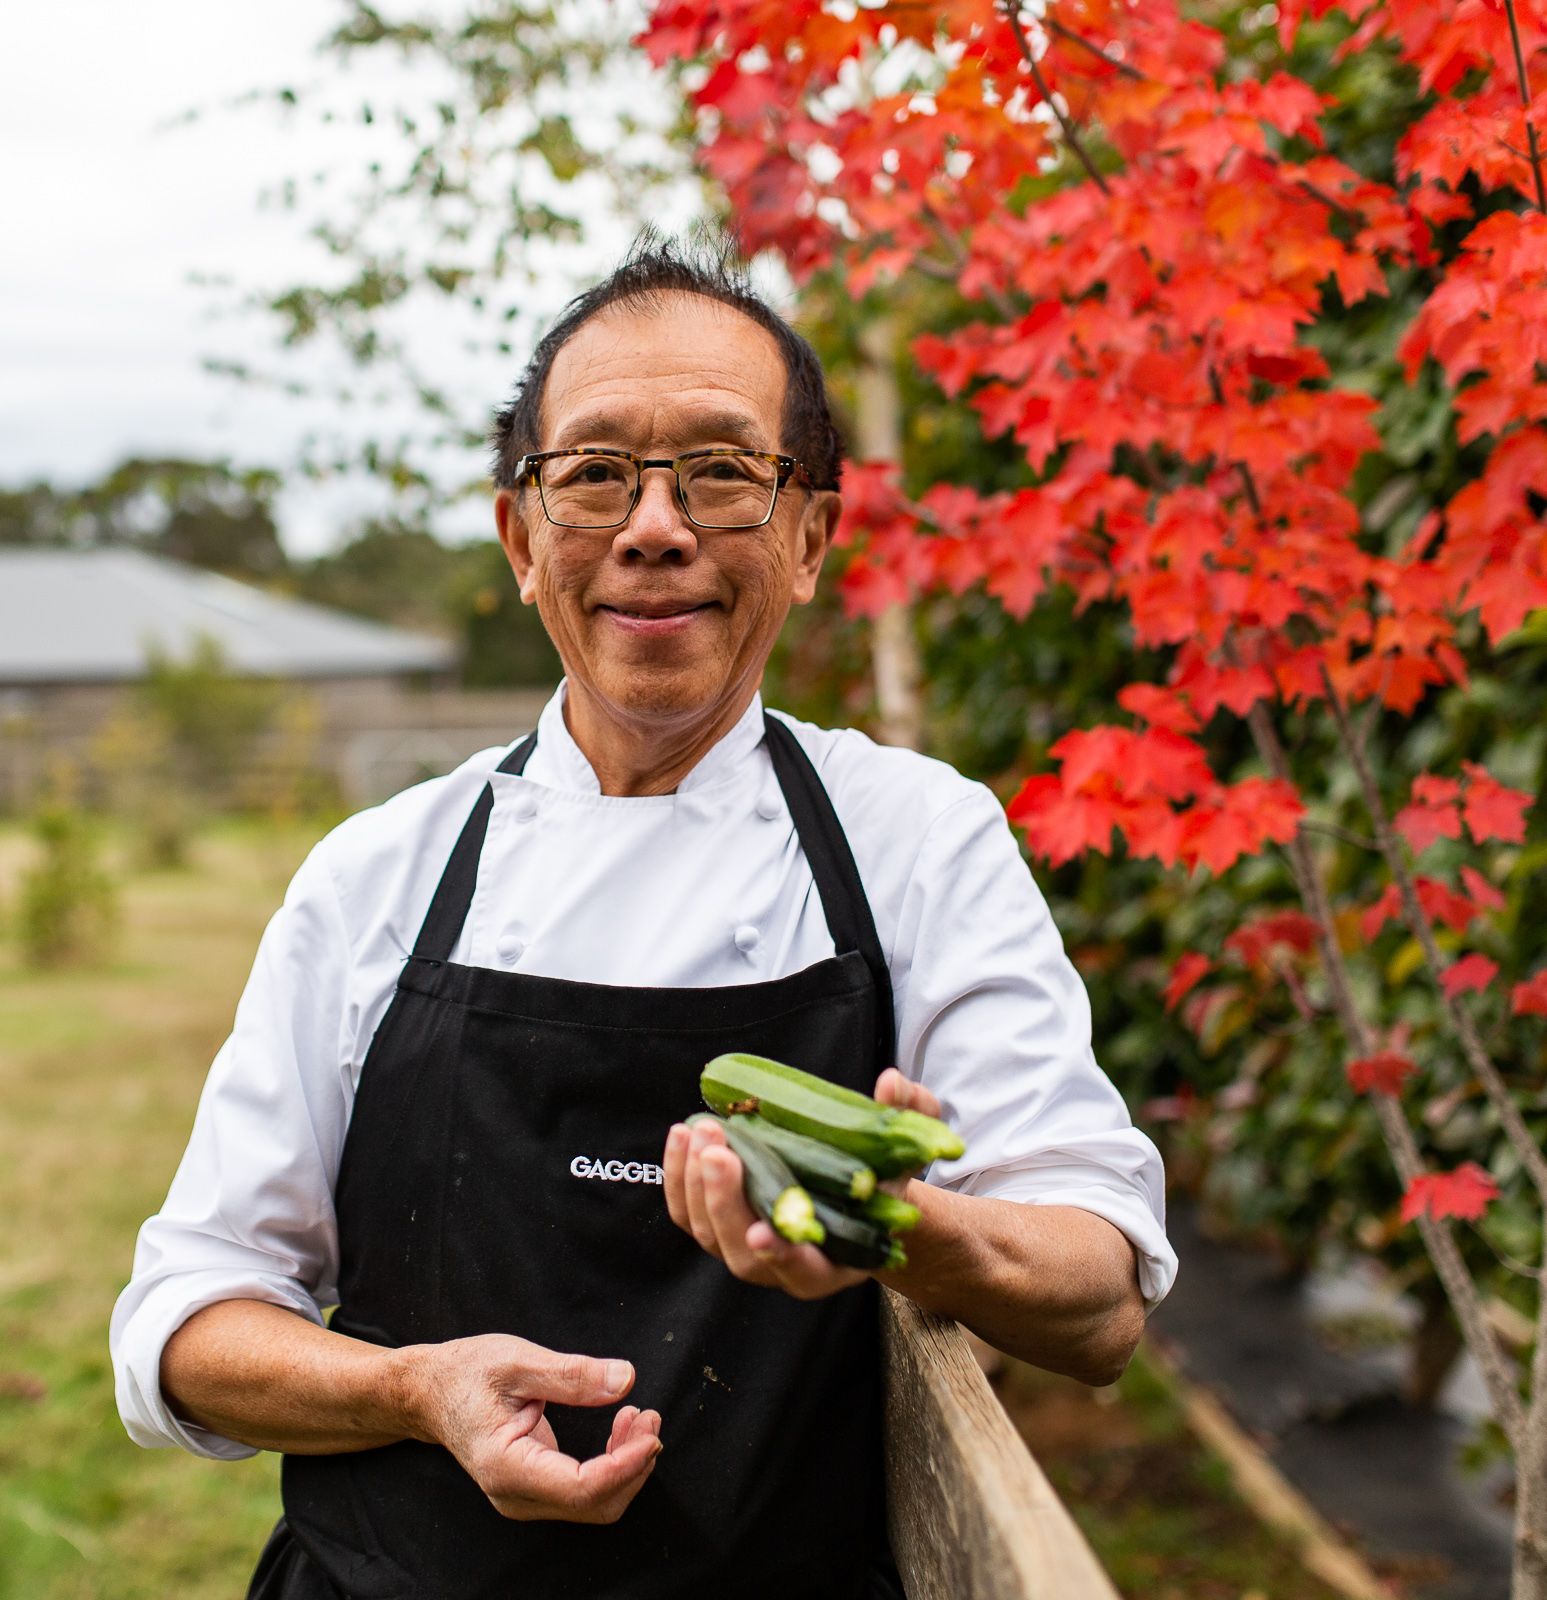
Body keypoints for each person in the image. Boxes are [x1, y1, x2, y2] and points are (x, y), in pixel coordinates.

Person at [108, 236, 1176, 1600]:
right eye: (595, 474)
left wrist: (905, 1226)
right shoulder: (375, 873)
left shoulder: (914, 838)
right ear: (520, 538)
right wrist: (414, 1391)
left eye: (723, 475)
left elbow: (1099, 1295)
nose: (654, 527)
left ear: (807, 537)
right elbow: (184, 1322)